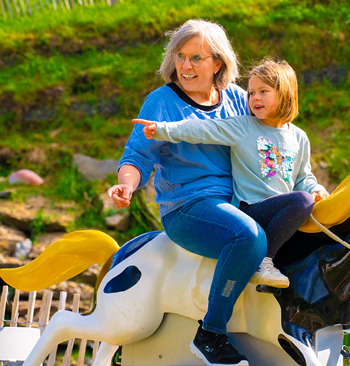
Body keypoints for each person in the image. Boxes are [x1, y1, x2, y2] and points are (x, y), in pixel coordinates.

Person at [107, 19, 268, 366]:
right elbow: (136, 157)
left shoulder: (240, 100)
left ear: (219, 64)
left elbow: (271, 139)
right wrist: (127, 184)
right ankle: (211, 333)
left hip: (241, 200)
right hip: (189, 207)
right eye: (180, 56)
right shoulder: (161, 102)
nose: (185, 65)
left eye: (197, 57)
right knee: (249, 238)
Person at [133, 58, 329, 289]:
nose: (254, 98)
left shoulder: (299, 137)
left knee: (322, 229)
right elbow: (202, 129)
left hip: (280, 216)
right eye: (251, 93)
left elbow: (303, 178)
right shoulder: (243, 126)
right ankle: (264, 262)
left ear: (285, 94)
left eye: (263, 91)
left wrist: (315, 188)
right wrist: (163, 129)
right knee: (302, 201)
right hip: (251, 209)